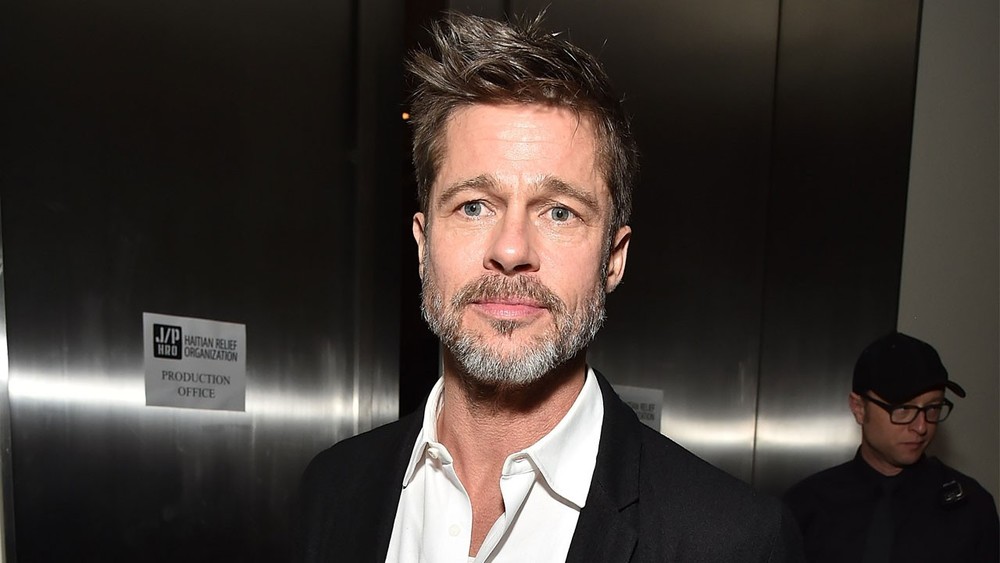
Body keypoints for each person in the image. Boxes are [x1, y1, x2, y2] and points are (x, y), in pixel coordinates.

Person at [298, 12, 802, 562]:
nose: (512, 250)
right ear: (423, 244)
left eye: (559, 212)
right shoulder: (333, 489)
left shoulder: (734, 541)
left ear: (613, 259)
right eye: (474, 206)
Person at [784, 332, 999, 562]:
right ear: (859, 408)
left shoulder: (971, 507)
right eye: (903, 409)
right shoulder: (805, 506)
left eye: (933, 408)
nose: (921, 426)